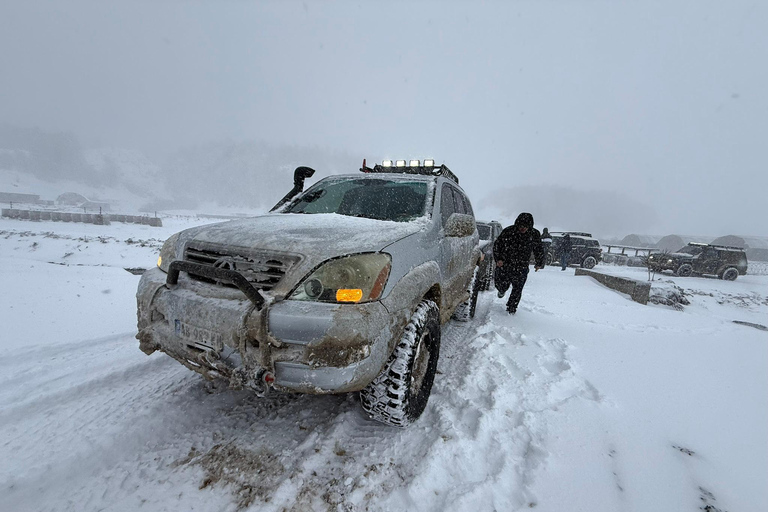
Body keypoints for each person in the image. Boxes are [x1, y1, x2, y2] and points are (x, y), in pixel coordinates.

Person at [492, 212, 546, 314]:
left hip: (522, 266)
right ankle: (502, 290)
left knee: (518, 288)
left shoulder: (534, 234)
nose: (523, 229)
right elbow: (497, 245)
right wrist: (499, 259)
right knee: (502, 283)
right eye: (521, 226)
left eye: (525, 227)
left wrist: (539, 262)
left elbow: (539, 249)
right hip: (506, 263)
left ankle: (511, 309)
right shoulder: (508, 231)